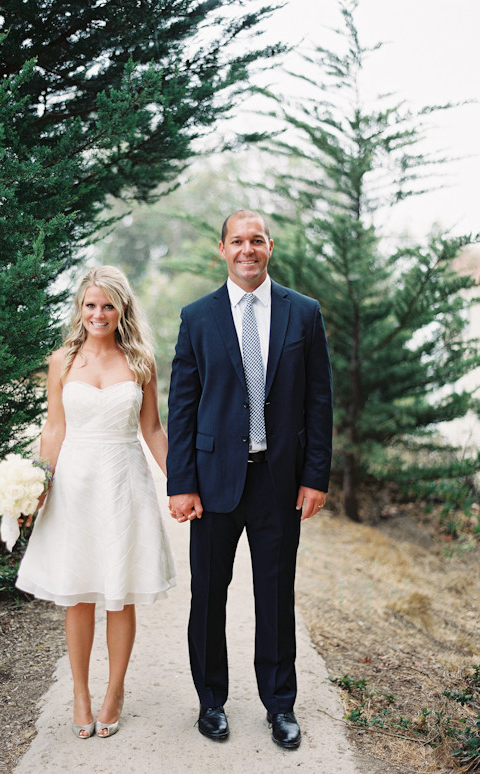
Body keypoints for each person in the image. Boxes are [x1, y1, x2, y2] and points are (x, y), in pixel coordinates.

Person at [167, 210, 333, 749]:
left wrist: (315, 476)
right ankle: (210, 701)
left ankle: (280, 705)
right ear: (222, 249)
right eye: (237, 241)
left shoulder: (303, 313)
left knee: (276, 598)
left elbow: (319, 400)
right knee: (208, 597)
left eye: (256, 240)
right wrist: (181, 483)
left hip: (279, 482)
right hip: (213, 482)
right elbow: (182, 406)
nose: (247, 250)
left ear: (269, 247)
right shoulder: (197, 317)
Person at [16, 266, 176, 739]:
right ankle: (81, 693)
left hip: (125, 483)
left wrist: (181, 484)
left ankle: (115, 690)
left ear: (122, 309)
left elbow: (153, 430)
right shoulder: (62, 361)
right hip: (75, 485)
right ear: (80, 309)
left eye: (108, 305)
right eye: (91, 305)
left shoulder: (140, 360)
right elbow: (54, 430)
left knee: (120, 594)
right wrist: (37, 488)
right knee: (80, 593)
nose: (98, 314)